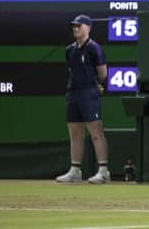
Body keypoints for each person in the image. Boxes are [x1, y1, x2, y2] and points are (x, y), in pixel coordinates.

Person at [56, 15, 110, 184]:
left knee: (96, 132)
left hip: (89, 92)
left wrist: (96, 86)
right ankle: (75, 170)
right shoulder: (69, 50)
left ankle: (103, 171)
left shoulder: (94, 48)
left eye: (79, 26)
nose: (75, 28)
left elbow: (103, 73)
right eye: (74, 26)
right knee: (75, 134)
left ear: (88, 28)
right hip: (73, 93)